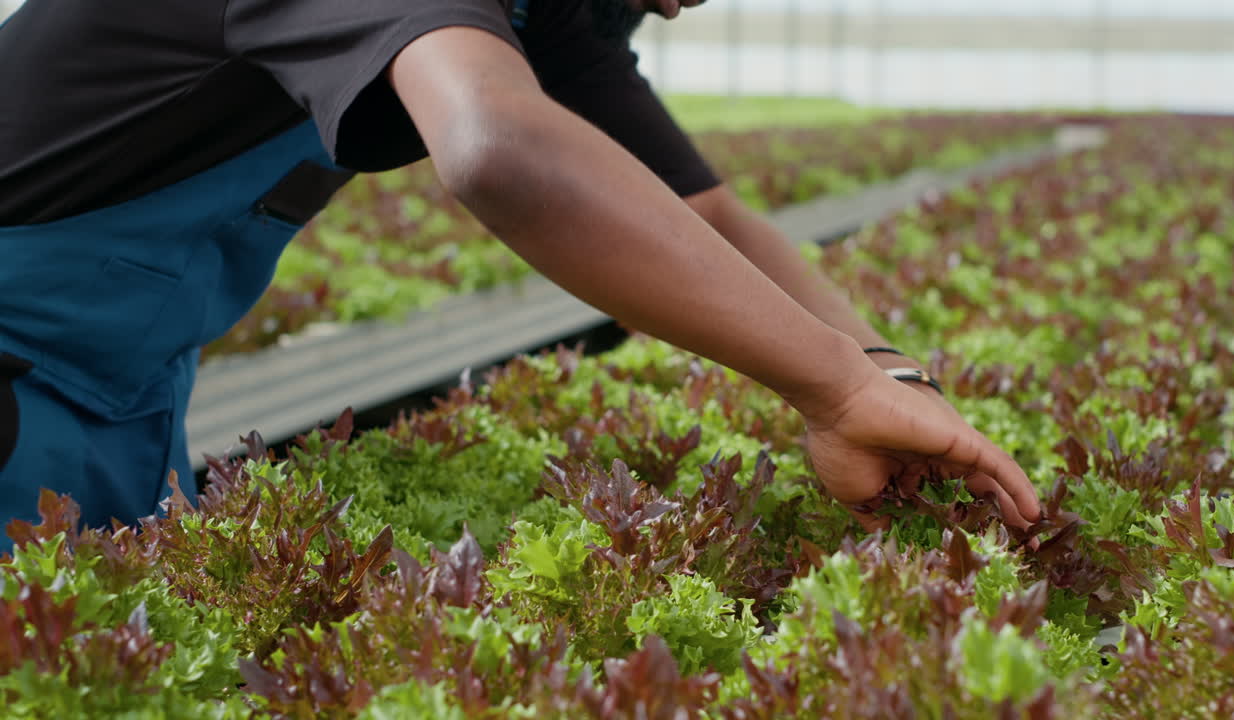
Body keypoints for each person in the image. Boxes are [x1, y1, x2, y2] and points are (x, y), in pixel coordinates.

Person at [0, 0, 1042, 554]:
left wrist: (886, 379)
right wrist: (833, 388)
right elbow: (498, 147)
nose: (685, 8)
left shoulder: (546, 10)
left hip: (124, 379)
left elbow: (708, 215)